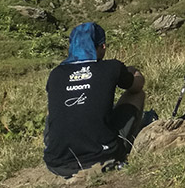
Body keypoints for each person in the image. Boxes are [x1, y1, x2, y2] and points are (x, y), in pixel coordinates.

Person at [43, 22, 146, 178]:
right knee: (138, 95)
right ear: (102, 46)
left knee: (56, 110)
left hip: (56, 163)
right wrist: (133, 72)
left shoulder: (56, 74)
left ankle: (63, 145)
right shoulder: (112, 67)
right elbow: (137, 87)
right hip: (101, 157)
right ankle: (124, 145)